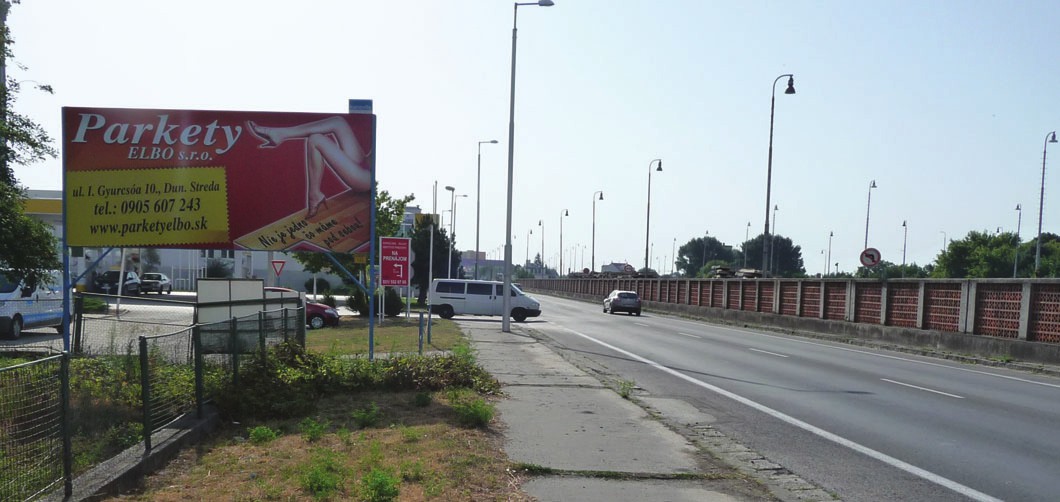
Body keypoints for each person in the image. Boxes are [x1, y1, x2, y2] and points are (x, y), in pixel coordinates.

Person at [246, 116, 371, 217]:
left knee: (315, 140)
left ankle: (314, 195)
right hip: (365, 161)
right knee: (338, 122)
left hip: (366, 179)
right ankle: (281, 134)